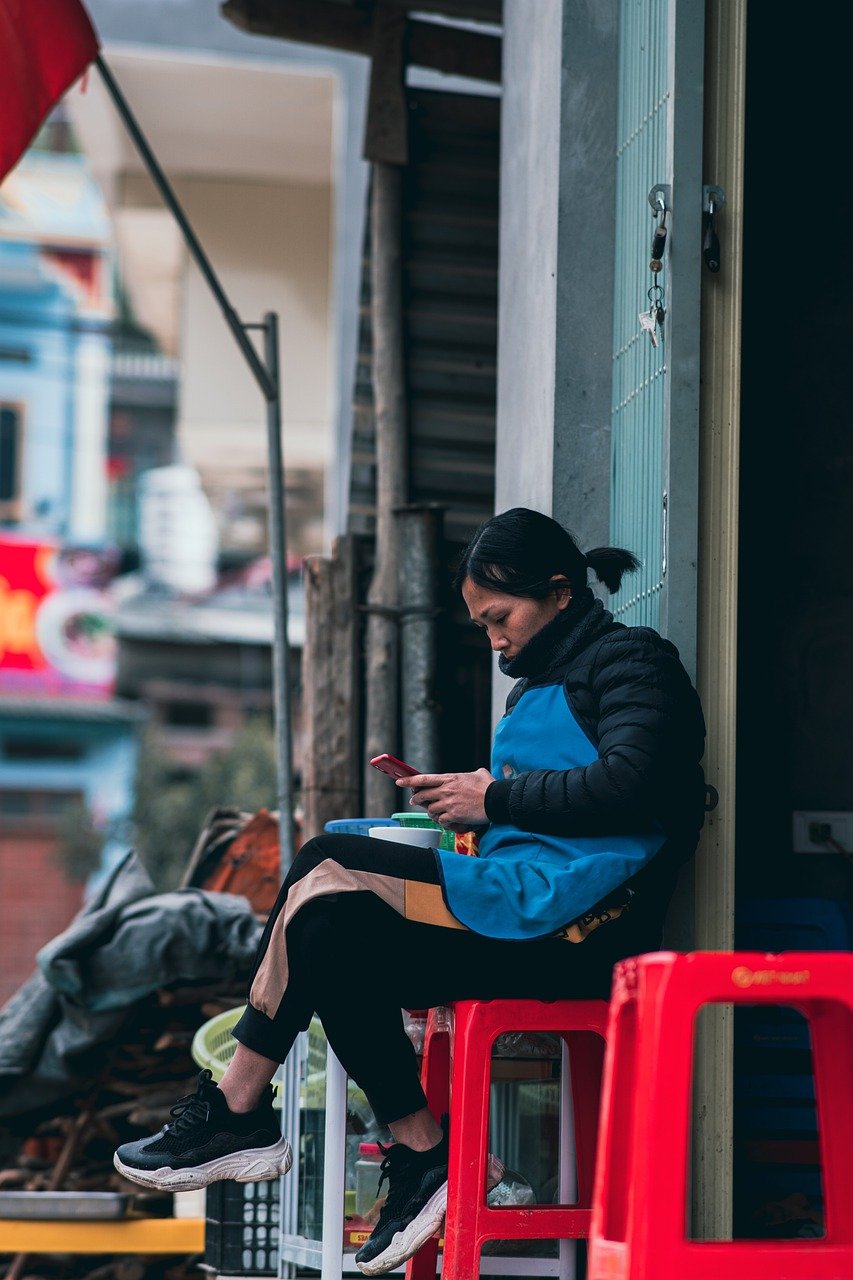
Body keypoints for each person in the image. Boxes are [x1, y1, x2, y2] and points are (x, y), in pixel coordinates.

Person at [114, 507, 706, 1276]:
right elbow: (537, 810)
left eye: (501, 617)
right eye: (481, 624)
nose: (493, 639)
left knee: (327, 857)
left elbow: (633, 786)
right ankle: (422, 1151)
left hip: (583, 926)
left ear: (560, 592)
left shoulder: (632, 662)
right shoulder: (531, 695)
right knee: (329, 939)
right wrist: (471, 818)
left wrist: (489, 800)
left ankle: (237, 1108)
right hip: (516, 903)